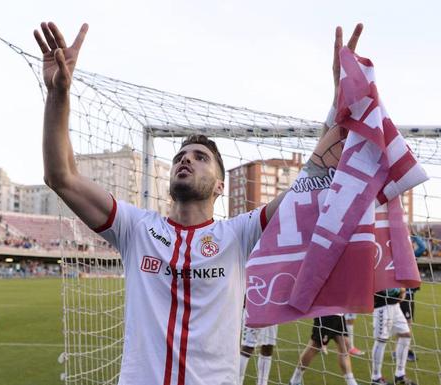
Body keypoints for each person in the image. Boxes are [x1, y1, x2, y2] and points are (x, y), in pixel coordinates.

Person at [34, 19, 364, 385]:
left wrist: (339, 103)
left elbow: (313, 179)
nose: (185, 159)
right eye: (180, 156)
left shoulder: (239, 235)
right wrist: (59, 93)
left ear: (221, 186)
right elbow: (61, 176)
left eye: (200, 157)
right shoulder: (135, 228)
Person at [289, 315, 358, 385]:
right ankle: (295, 380)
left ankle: (351, 382)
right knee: (315, 346)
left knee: (344, 346)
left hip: (339, 313)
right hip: (327, 314)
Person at [371, 289, 416, 385]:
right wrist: (400, 289)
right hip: (382, 305)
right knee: (381, 340)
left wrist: (401, 289)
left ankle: (400, 375)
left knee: (405, 335)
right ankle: (376, 378)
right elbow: (382, 283)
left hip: (395, 305)